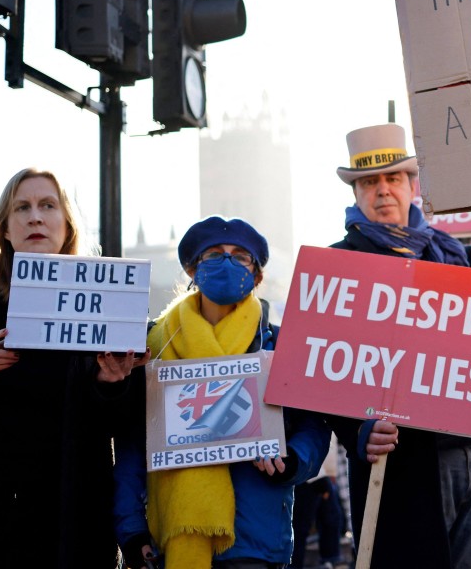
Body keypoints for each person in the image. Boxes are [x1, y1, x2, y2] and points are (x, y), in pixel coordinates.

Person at [326, 123, 471, 569]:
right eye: (369, 182)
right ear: (356, 192)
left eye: (392, 178)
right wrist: (357, 432)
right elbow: (321, 372)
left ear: (412, 186)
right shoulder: (339, 265)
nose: (382, 191)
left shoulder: (450, 252)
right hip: (403, 467)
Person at [0, 167, 142, 568]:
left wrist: (111, 383)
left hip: (71, 520)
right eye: (22, 207)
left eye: (48, 205)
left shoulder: (108, 298)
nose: (35, 216)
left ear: (66, 224)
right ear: (5, 228)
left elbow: (130, 424)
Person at [114, 216, 331, 569]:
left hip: (255, 542)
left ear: (257, 275)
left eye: (241, 256)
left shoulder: (280, 346)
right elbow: (132, 445)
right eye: (214, 254)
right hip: (170, 539)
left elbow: (314, 427)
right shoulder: (153, 346)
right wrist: (132, 530)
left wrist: (291, 459)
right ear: (192, 270)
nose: (228, 262)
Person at [291, 434, 348, 569]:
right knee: (300, 527)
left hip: (318, 473)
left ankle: (330, 560)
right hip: (309, 474)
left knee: (331, 518)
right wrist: (321, 476)